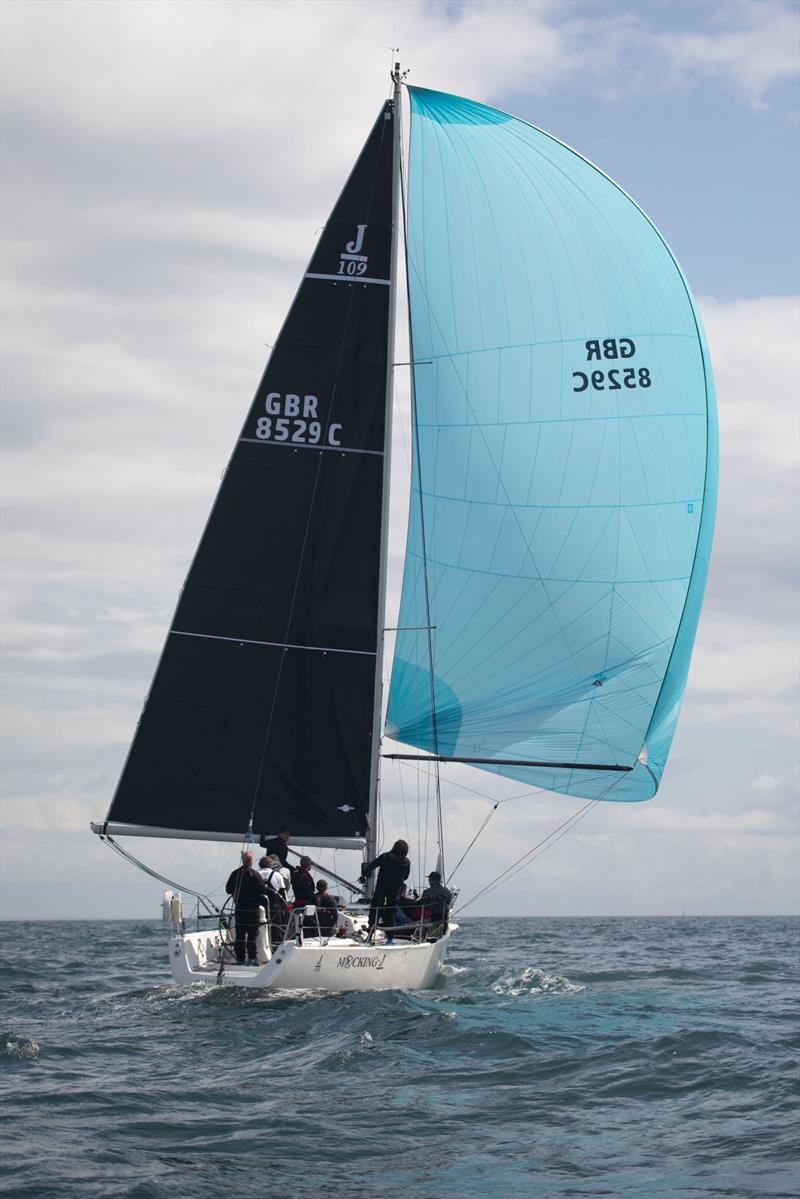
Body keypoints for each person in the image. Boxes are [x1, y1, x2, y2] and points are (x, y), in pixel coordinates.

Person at [360, 839, 410, 939]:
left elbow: (372, 866)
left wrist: (364, 874)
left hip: (381, 890)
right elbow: (406, 877)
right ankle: (390, 937)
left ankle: (370, 935)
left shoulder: (385, 857)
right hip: (394, 892)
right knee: (390, 914)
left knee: (375, 912)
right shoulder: (405, 862)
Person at [225, 850, 269, 964]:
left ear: (242, 860)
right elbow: (262, 890)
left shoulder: (235, 874)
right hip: (253, 910)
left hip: (240, 909)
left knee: (240, 935)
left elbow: (228, 889)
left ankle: (240, 958)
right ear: (251, 861)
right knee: (252, 936)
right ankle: (252, 959)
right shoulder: (255, 874)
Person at [258, 854, 288, 946]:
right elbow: (282, 893)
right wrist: (285, 907)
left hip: (258, 907)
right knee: (276, 929)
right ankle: (275, 947)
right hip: (274, 906)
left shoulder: (255, 873)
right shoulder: (277, 875)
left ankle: (259, 945)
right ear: (270, 865)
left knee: (258, 928)